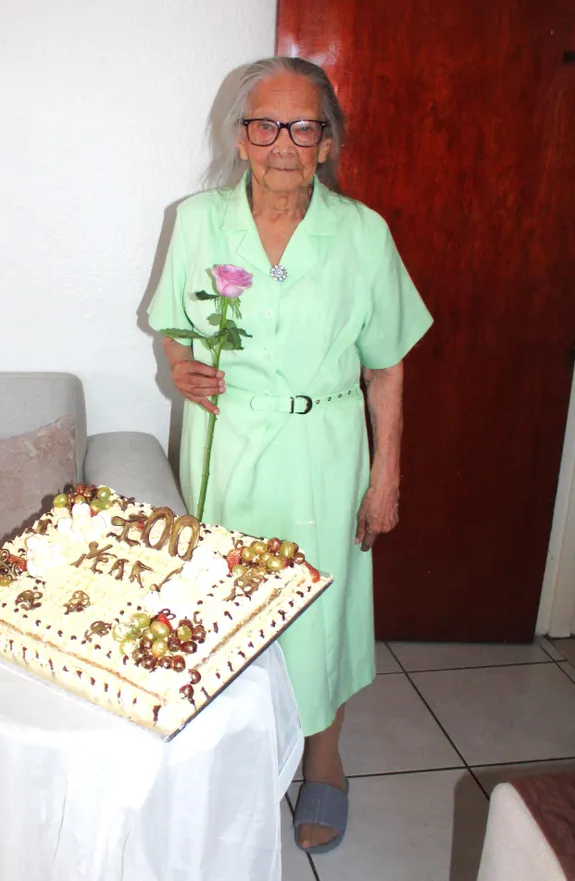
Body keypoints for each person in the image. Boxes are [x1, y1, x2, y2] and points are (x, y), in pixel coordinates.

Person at [146, 56, 432, 853]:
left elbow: (386, 364)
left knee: (319, 611)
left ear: (327, 143)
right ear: (240, 139)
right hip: (228, 439)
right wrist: (179, 363)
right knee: (225, 609)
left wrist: (387, 475)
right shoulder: (197, 220)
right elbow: (173, 322)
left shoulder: (363, 233)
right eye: (265, 125)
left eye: (304, 127)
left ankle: (324, 762)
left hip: (324, 447)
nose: (283, 143)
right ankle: (234, 760)